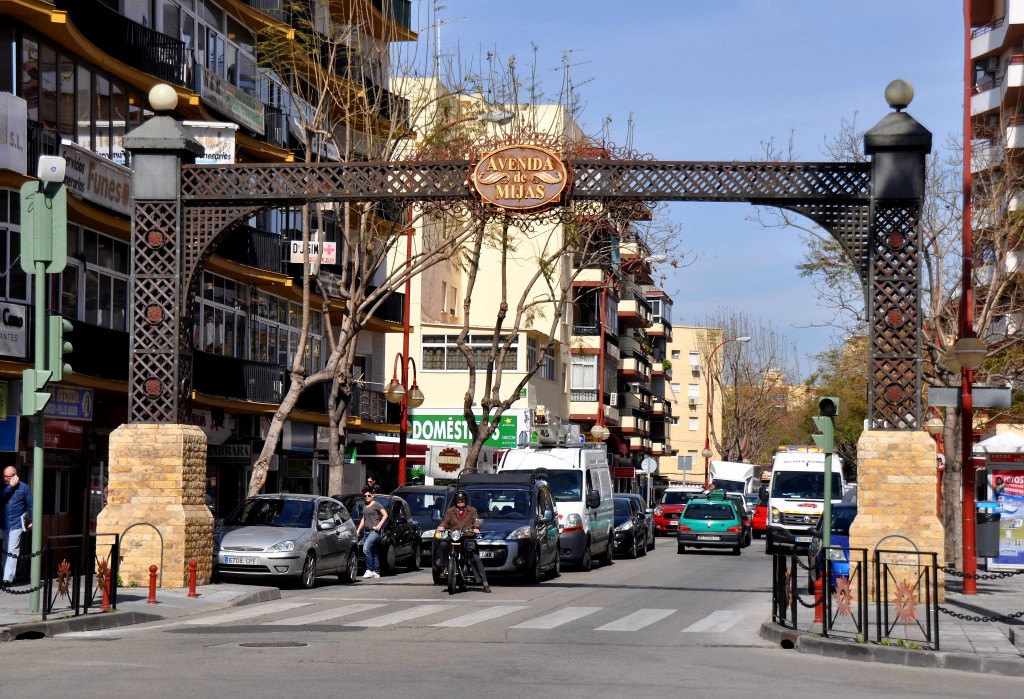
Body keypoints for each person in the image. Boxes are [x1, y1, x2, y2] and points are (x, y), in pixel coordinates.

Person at [435, 490, 491, 593]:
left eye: (462, 500)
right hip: (454, 537)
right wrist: (442, 527)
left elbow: (476, 521)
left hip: (467, 537)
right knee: (443, 544)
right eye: (458, 500)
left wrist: (476, 528)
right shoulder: (450, 511)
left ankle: (485, 583)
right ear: (456, 501)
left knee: (475, 557)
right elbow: (446, 521)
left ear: (466, 500)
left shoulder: (472, 511)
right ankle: (445, 568)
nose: (460, 501)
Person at [0, 466, 33, 586]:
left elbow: (30, 505)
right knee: (4, 550)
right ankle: (4, 574)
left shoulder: (24, 488)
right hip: (2, 523)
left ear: (15, 476)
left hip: (16, 523)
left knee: (12, 550)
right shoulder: (2, 485)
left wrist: (32, 520)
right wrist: (10, 487)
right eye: (4, 476)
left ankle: (7, 578)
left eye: (8, 477)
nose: (5, 478)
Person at [355, 487, 388, 579]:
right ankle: (376, 571)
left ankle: (369, 569)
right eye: (365, 496)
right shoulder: (365, 506)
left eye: (369, 495)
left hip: (375, 531)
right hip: (366, 531)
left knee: (366, 549)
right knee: (373, 551)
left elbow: (385, 515)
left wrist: (379, 525)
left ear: (372, 495)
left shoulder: (377, 504)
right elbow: (363, 519)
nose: (367, 497)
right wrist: (358, 530)